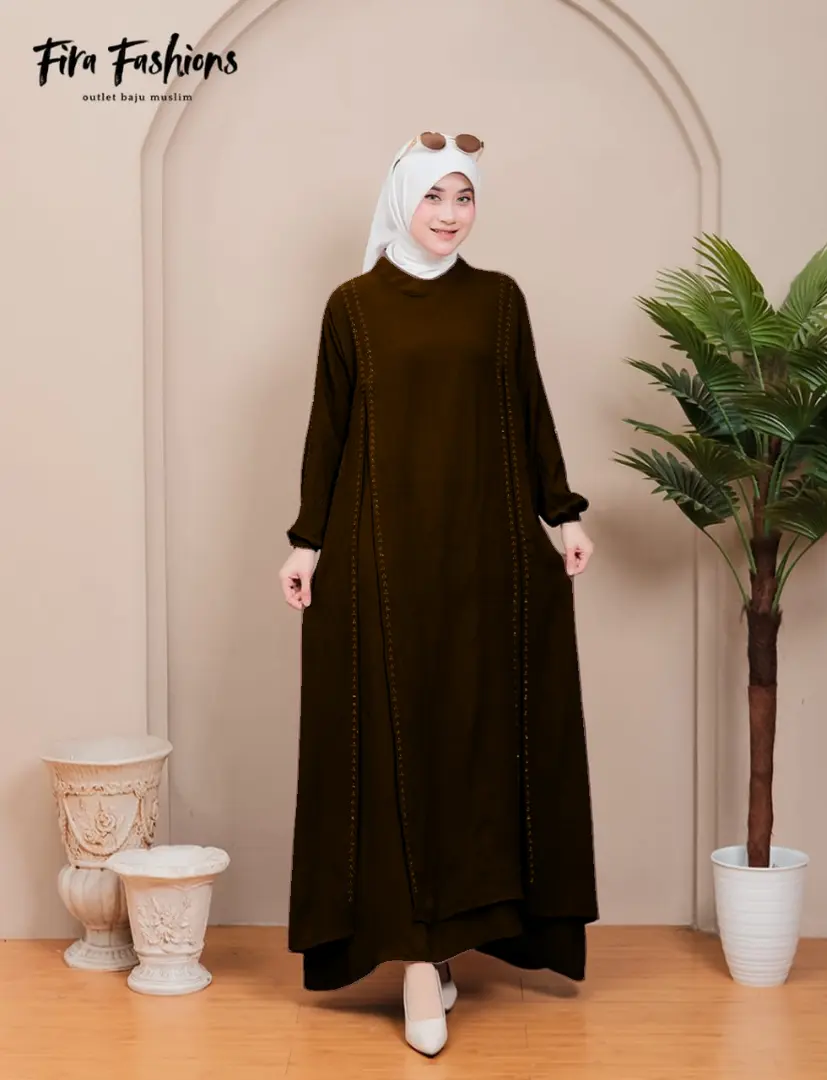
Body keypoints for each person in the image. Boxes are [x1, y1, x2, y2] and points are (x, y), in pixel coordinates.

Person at [279, 131, 598, 1057]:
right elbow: (329, 429)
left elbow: (530, 411)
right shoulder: (353, 308)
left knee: (471, 747)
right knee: (397, 749)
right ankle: (418, 962)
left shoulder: (500, 302)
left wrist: (562, 514)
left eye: (465, 197)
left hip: (484, 561)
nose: (451, 214)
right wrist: (306, 541)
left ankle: (448, 939)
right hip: (381, 561)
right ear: (402, 200)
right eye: (434, 196)